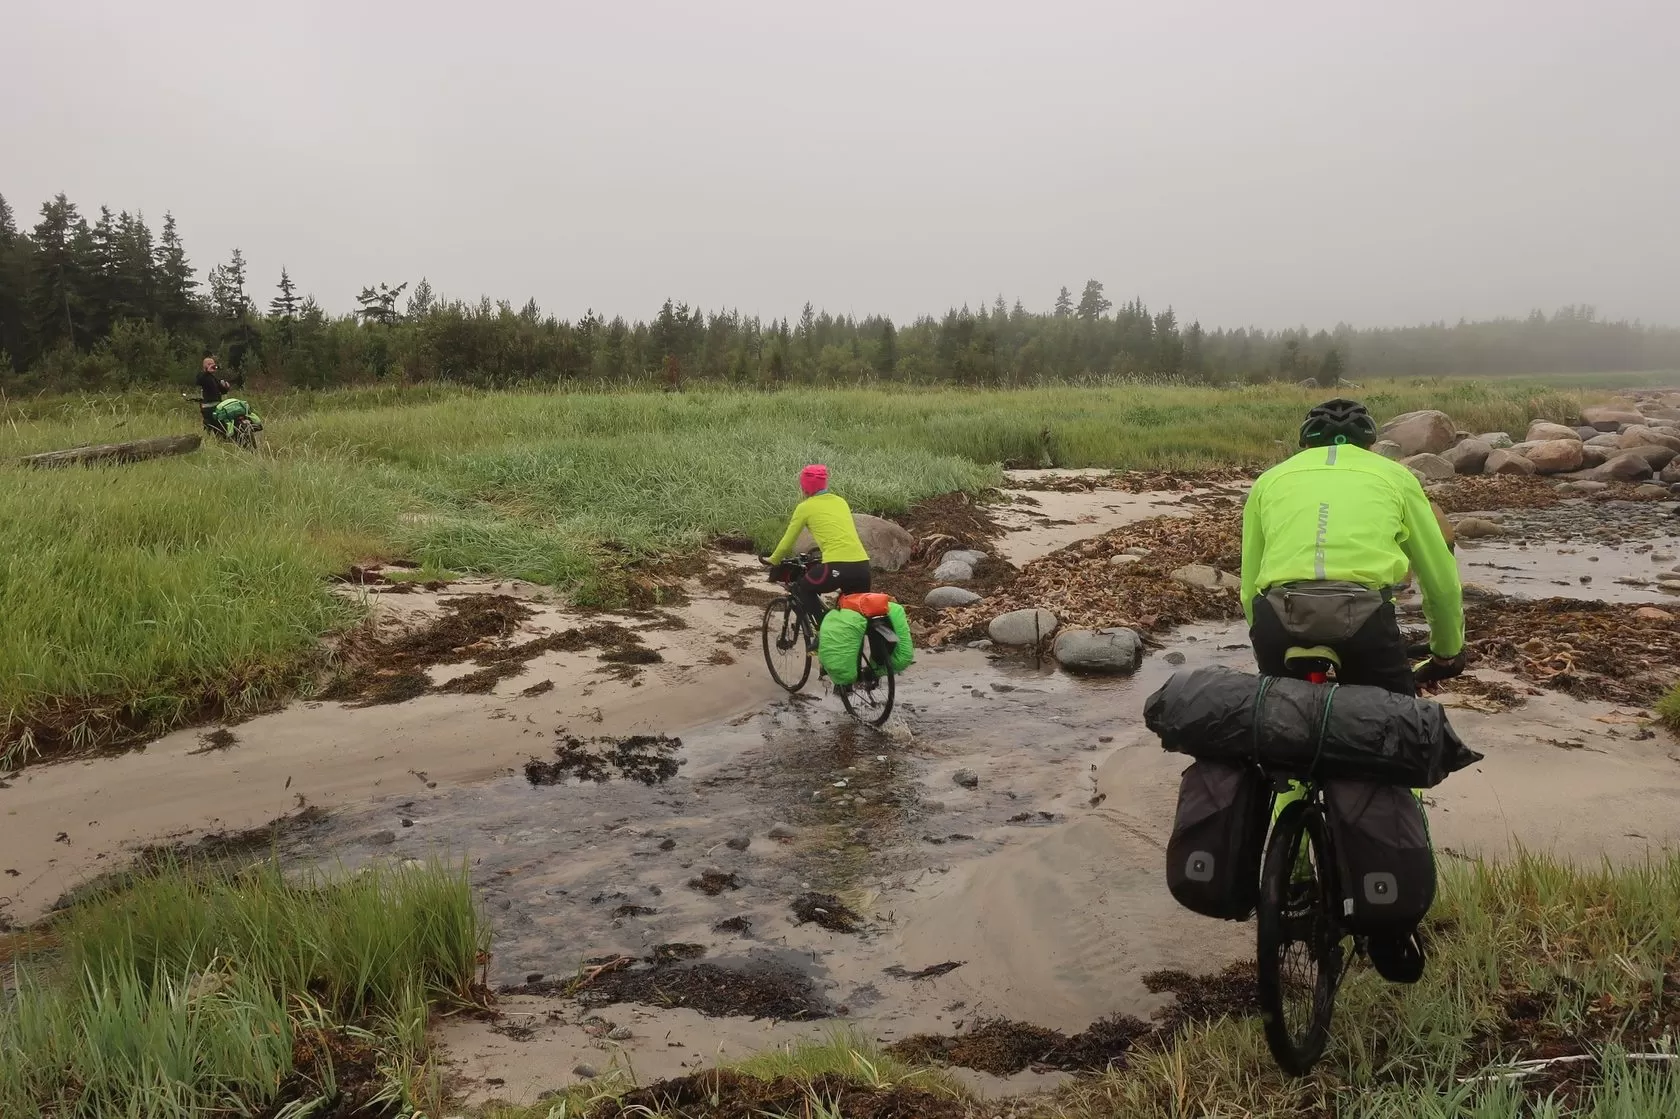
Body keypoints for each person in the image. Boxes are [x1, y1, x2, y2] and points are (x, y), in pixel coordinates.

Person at [1239, 398, 1465, 984]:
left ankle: (1289, 867)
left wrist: (1269, 648)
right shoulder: (1395, 476)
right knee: (1395, 749)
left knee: (1288, 747)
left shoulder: (1269, 481)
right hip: (1364, 621)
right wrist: (1447, 651)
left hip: (1276, 621)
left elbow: (1248, 585)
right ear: (1369, 443)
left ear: (1304, 443)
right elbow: (1440, 579)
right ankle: (1394, 925)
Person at [766, 465, 872, 626]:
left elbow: (788, 540)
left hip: (837, 566)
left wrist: (773, 560)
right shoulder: (841, 502)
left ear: (805, 487)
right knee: (855, 620)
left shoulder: (805, 507)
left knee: (803, 588)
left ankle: (823, 630)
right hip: (863, 567)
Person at [196, 352, 230, 436]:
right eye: (209, 364)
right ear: (205, 366)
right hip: (208, 408)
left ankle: (220, 441)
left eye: (213, 364)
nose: (212, 365)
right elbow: (199, 381)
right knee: (213, 427)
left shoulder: (214, 378)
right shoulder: (202, 376)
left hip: (217, 406)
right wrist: (207, 371)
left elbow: (222, 391)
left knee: (222, 429)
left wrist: (226, 387)